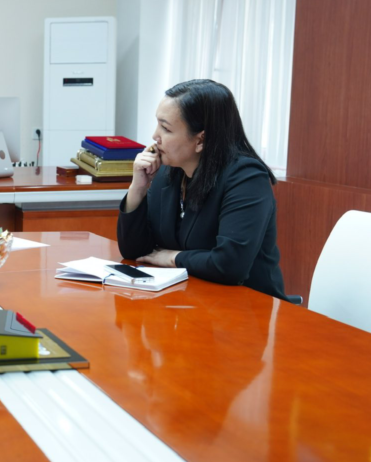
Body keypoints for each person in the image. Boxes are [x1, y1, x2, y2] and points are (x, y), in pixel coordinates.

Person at [117, 79, 286, 300]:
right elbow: (136, 252)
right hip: (189, 299)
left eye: (166, 128)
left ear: (201, 140)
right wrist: (137, 188)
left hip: (247, 305)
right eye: (157, 124)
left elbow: (230, 265)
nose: (155, 136)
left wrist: (173, 258)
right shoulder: (169, 172)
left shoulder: (246, 178)